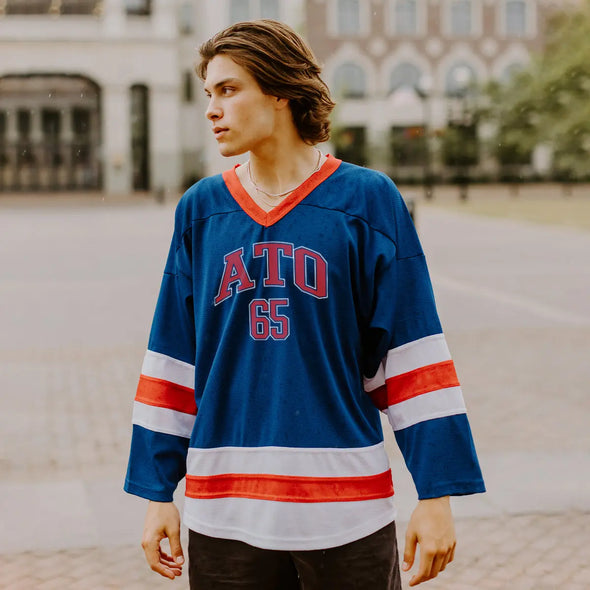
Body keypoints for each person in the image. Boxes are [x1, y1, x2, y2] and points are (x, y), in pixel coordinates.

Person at [124, 19, 485, 589]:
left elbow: (411, 354)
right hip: (224, 511)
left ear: (280, 91)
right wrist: (155, 492)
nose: (213, 109)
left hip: (346, 510)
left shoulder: (367, 202)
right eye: (209, 93)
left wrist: (435, 495)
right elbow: (174, 357)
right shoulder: (201, 210)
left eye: (229, 89)